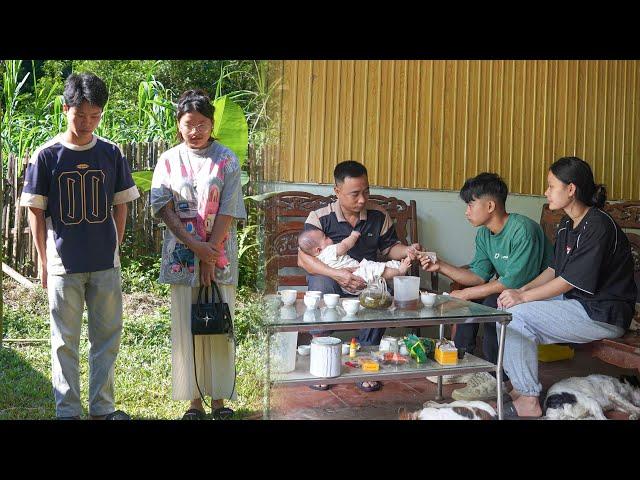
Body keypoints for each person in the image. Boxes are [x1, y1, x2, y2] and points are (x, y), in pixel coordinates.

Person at [20, 73, 140, 420]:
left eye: (95, 115)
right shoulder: (46, 155)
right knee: (63, 341)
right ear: (65, 108)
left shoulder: (111, 152)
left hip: (105, 263)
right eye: (80, 114)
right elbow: (35, 211)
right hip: (63, 265)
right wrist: (44, 260)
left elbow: (122, 204)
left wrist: (114, 246)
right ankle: (68, 411)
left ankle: (102, 409)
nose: (87, 122)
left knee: (106, 339)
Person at [494, 157, 636, 418]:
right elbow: (553, 271)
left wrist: (523, 298)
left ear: (571, 189)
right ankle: (519, 387)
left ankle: (528, 397)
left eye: (550, 186)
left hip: (603, 313)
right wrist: (519, 292)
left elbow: (568, 281)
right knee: (505, 309)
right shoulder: (567, 224)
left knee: (516, 316)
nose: (546, 192)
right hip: (577, 305)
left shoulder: (598, 225)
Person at [150, 89, 246, 420]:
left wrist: (209, 254)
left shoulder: (227, 158)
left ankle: (219, 398)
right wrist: (196, 249)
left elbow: (230, 207)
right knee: (186, 327)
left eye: (202, 123)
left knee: (218, 324)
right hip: (181, 256)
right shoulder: (167, 160)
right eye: (189, 123)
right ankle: (193, 401)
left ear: (212, 123)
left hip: (219, 257)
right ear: (179, 123)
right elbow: (162, 206)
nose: (195, 130)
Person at [419, 172, 553, 401]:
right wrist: (440, 265)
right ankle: (461, 363)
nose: (466, 211)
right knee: (472, 300)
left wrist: (465, 293)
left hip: (539, 293)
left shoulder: (523, 230)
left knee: (492, 304)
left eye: (470, 204)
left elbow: (515, 283)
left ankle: (496, 377)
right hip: (510, 291)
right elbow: (479, 276)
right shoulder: (484, 234)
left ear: (490, 205)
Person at [297, 160, 422, 392]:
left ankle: (366, 360)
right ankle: (324, 361)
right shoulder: (319, 217)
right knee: (319, 283)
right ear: (337, 191)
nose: (363, 199)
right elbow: (303, 259)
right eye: (355, 194)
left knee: (384, 289)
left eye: (366, 191)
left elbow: (389, 248)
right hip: (333, 279)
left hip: (366, 279)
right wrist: (338, 274)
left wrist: (407, 251)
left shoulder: (378, 215)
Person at [297, 229, 413, 293]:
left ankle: (401, 264)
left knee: (378, 268)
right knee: (376, 269)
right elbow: (345, 245)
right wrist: (353, 236)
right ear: (318, 249)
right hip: (356, 273)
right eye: (325, 238)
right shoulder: (329, 251)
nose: (329, 238)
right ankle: (399, 272)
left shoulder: (318, 258)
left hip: (347, 285)